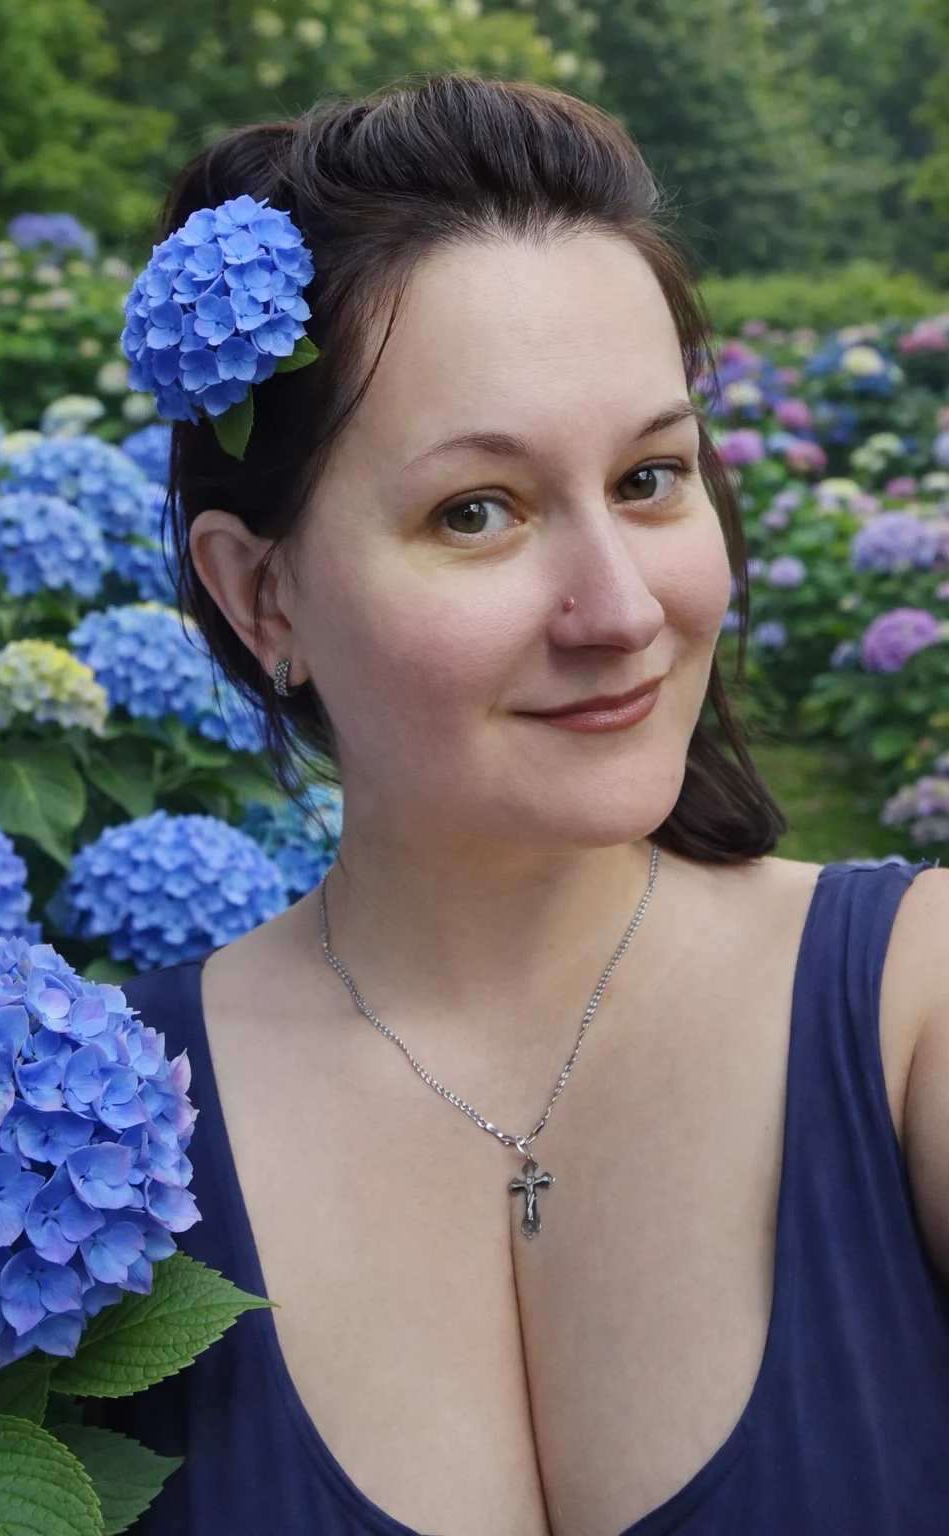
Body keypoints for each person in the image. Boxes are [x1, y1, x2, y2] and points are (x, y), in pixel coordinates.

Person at [99, 74, 949, 1535]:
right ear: (261, 596)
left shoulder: (916, 1009)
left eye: (651, 476)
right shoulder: (89, 1153)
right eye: (476, 511)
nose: (620, 611)